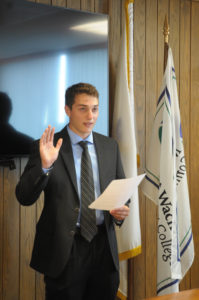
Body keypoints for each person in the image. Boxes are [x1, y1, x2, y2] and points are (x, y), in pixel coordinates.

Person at [15, 82, 130, 300]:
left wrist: (121, 212)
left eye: (95, 108)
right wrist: (45, 166)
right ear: (68, 110)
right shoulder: (47, 146)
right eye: (83, 108)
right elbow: (24, 196)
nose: (91, 115)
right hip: (65, 251)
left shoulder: (109, 146)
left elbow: (122, 191)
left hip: (104, 248)